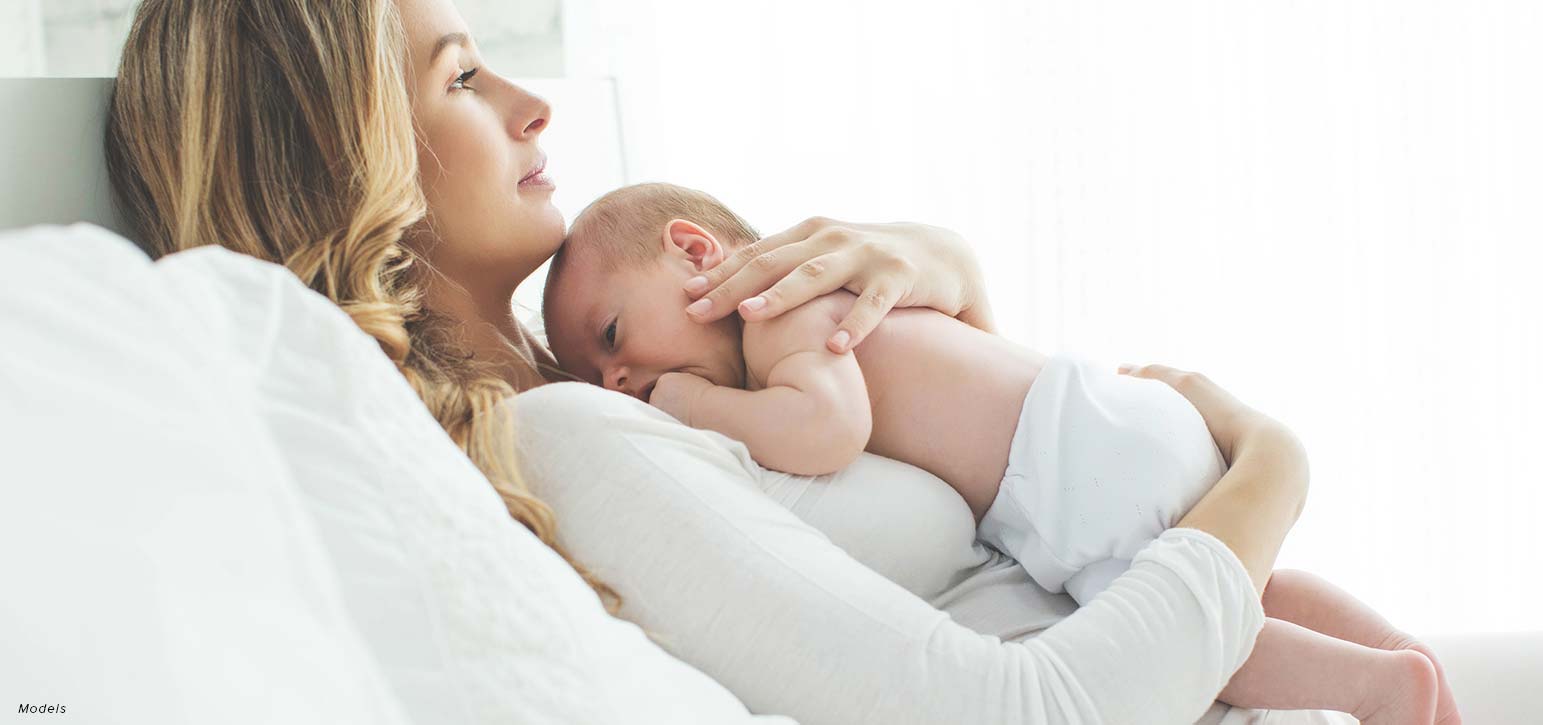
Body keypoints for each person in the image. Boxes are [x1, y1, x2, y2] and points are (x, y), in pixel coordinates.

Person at [101, 0, 1428, 722]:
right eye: (460, 78)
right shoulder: (579, 444)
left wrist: (938, 265)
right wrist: (1271, 464)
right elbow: (1037, 710)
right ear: (351, 165)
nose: (530, 102)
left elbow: (988, 500)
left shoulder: (624, 382)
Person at [541, 182, 1459, 724]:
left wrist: (696, 401)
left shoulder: (774, 315)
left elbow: (828, 431)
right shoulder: (837, 274)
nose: (618, 377)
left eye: (613, 333)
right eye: (594, 370)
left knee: (1204, 632)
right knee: (1246, 581)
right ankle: (1402, 652)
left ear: (695, 250)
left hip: (1061, 468)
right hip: (1100, 419)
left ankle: (1376, 686)